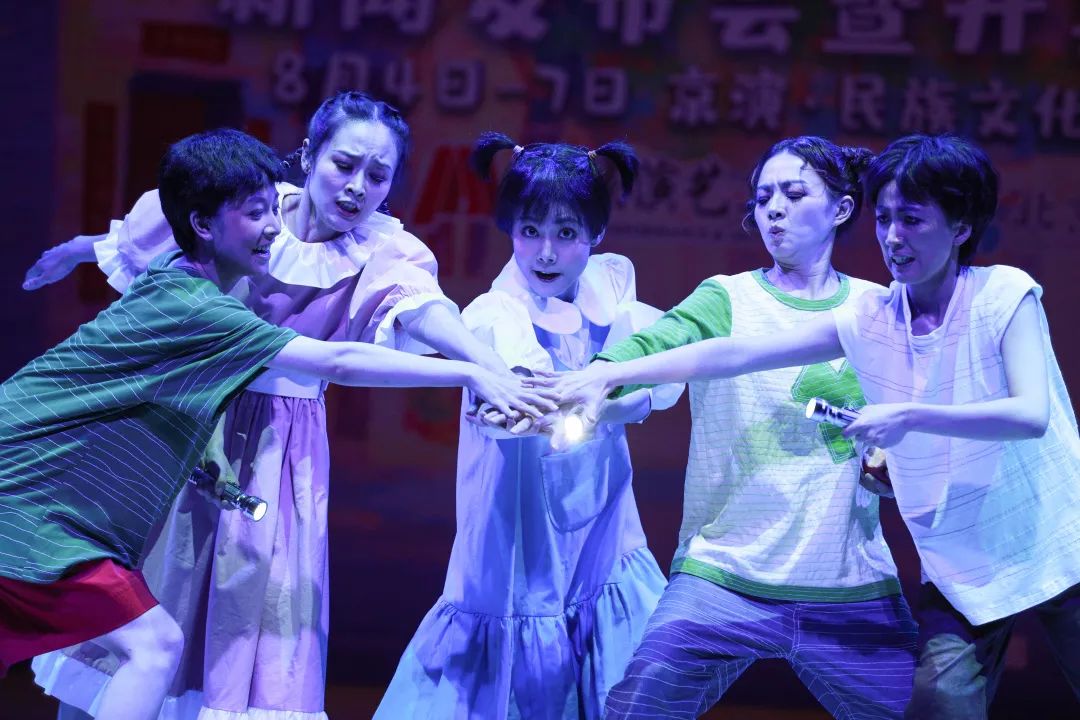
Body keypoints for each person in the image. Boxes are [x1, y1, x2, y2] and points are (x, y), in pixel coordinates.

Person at [0, 128, 553, 720]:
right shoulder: (204, 307)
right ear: (309, 157)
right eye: (256, 214)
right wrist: (470, 374)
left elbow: (419, 312)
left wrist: (486, 364)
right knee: (151, 647)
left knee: (150, 640)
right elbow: (340, 361)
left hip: (82, 490)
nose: (272, 228)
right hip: (29, 499)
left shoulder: (188, 281)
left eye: (378, 174)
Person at [551, 134, 1080, 719]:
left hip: (970, 563)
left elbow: (1019, 417)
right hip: (793, 576)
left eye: (911, 219)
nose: (893, 236)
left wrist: (897, 440)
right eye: (885, 219)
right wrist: (605, 373)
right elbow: (722, 352)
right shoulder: (841, 314)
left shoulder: (958, 299)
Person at [554, 136, 914, 720]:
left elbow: (909, 431)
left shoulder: (880, 309)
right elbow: (655, 344)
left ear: (842, 209)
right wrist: (595, 378)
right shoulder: (728, 298)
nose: (775, 209)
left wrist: (891, 462)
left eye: (794, 194)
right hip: (724, 576)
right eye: (764, 197)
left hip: (850, 584)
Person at [373, 133, 683, 720]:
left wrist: (610, 402)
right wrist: (548, 409)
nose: (545, 252)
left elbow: (659, 382)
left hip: (603, 520)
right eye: (530, 230)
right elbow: (513, 408)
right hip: (519, 526)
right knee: (523, 668)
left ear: (595, 233)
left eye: (566, 233)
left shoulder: (611, 289)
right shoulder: (494, 317)